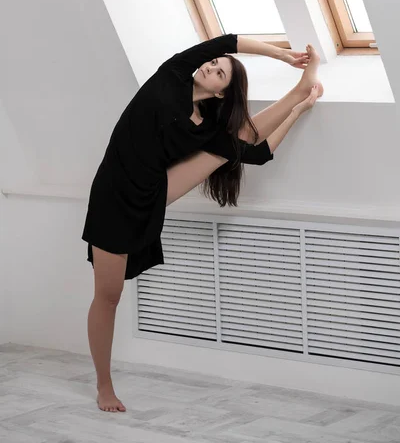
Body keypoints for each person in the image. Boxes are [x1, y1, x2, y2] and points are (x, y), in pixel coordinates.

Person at [82, 34, 323, 412]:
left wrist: (298, 109)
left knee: (226, 148)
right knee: (108, 297)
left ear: (224, 94)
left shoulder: (207, 127)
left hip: (153, 193)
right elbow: (226, 41)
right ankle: (104, 385)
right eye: (214, 63)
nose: (212, 65)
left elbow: (256, 152)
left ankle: (298, 93)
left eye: (220, 72)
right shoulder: (173, 73)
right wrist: (278, 54)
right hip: (113, 195)